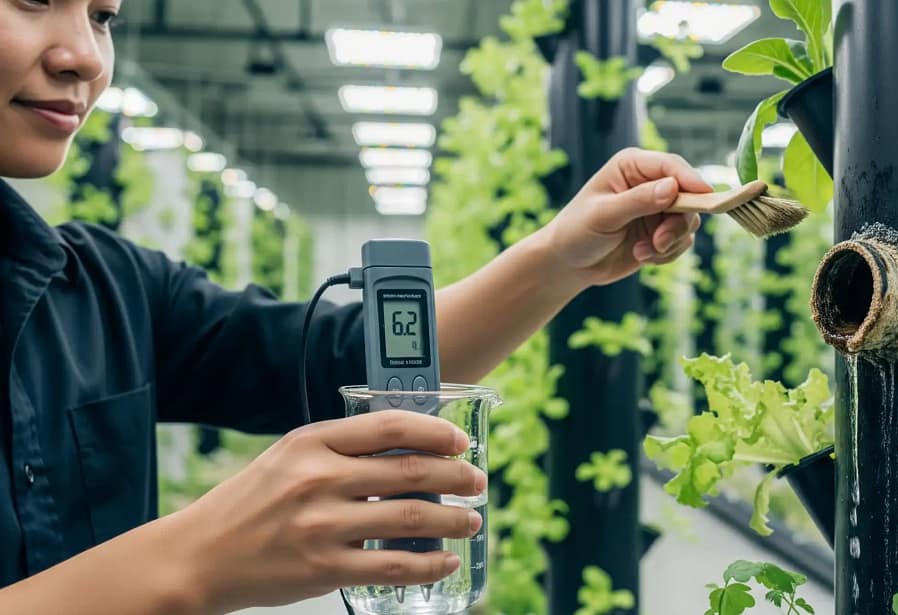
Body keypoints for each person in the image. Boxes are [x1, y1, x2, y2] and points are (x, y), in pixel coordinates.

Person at [0, 0, 710, 613]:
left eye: (103, 17)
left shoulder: (104, 286)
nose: (85, 57)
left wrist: (559, 258)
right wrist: (192, 560)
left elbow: (346, 360)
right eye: (31, 1)